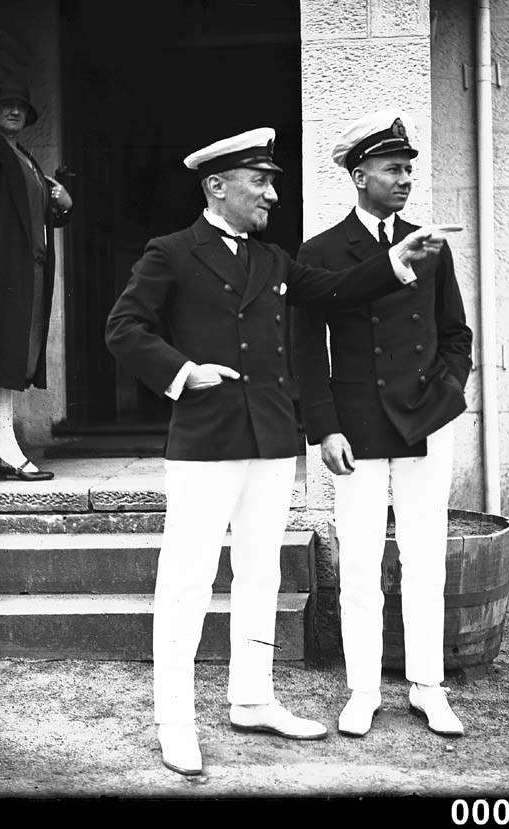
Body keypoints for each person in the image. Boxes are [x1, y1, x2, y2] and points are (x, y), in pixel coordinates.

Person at [104, 126, 450, 775]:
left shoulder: (272, 261)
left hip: (269, 442)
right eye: (259, 182)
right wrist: (182, 372)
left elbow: (335, 290)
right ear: (217, 186)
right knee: (187, 580)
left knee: (261, 573)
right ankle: (175, 720)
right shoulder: (172, 252)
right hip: (205, 442)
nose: (271, 193)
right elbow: (123, 328)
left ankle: (252, 696)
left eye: (272, 181)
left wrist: (394, 261)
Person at [292, 108, 473, 739]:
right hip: (357, 424)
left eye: (408, 170)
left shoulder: (429, 244)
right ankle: (362, 689)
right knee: (361, 560)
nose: (403, 180)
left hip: (426, 419)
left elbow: (455, 333)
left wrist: (448, 391)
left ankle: (428, 686)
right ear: (358, 174)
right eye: (392, 169)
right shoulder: (319, 253)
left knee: (425, 556)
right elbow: (307, 349)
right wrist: (324, 428)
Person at [0, 72, 73, 481]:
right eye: (5, 105)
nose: (14, 110)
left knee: (13, 355)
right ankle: (10, 451)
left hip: (28, 271)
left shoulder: (23, 155)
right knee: (2, 355)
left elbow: (35, 215)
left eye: (21, 106)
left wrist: (63, 203)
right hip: (1, 271)